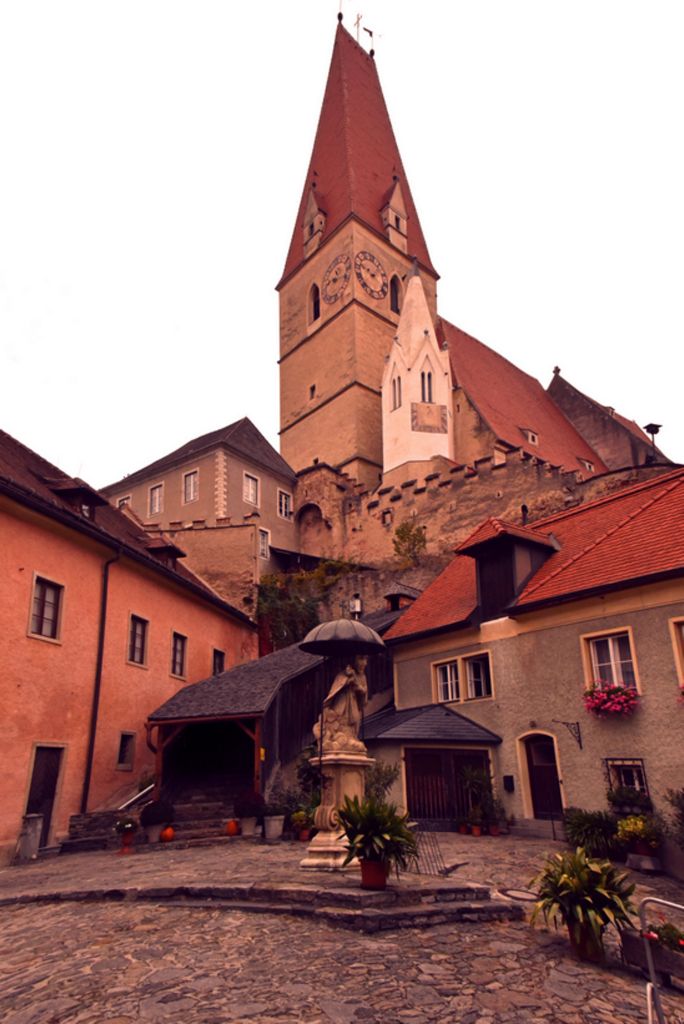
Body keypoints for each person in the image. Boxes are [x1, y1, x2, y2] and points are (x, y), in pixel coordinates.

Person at [313, 655, 368, 753]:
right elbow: (334, 691)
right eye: (361, 659)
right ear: (353, 660)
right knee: (339, 728)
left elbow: (364, 697)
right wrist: (347, 681)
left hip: (353, 707)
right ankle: (336, 741)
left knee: (353, 727)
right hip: (340, 708)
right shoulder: (342, 675)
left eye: (365, 659)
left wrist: (356, 684)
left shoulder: (362, 677)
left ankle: (348, 741)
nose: (364, 663)